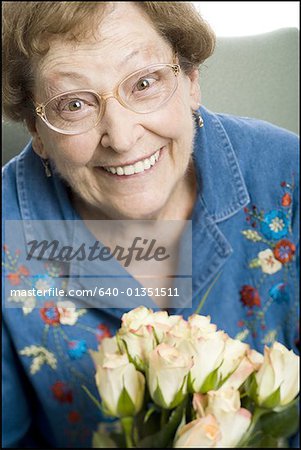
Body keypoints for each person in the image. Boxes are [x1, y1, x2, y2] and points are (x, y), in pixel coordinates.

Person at [2, 1, 299, 448]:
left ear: (191, 80)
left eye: (144, 83)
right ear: (36, 129)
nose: (121, 139)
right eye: (74, 104)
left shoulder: (288, 177)